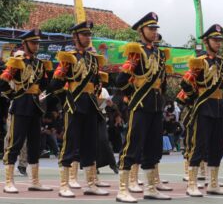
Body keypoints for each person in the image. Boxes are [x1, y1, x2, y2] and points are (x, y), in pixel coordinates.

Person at [115, 12, 172, 202]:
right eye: (151, 28)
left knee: (153, 148)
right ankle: (123, 189)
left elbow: (162, 82)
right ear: (141, 31)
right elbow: (121, 80)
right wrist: (132, 93)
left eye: (156, 28)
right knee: (131, 147)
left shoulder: (158, 53)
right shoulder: (136, 52)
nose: (154, 32)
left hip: (155, 107)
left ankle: (150, 188)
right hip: (139, 106)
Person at [49, 21, 109, 197]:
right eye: (84, 34)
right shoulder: (68, 58)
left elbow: (97, 83)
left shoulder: (93, 59)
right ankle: (64, 185)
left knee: (91, 145)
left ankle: (91, 184)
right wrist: (65, 99)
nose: (88, 37)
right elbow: (55, 85)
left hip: (90, 105)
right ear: (75, 37)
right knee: (70, 144)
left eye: (89, 34)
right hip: (74, 105)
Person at [177, 24, 223, 197]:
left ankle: (213, 184)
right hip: (203, 108)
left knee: (217, 147)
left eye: (219, 40)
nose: (218, 43)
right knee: (199, 145)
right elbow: (185, 83)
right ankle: (192, 184)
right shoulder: (199, 62)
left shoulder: (222, 63)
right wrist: (194, 98)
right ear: (206, 41)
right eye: (215, 40)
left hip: (218, 108)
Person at [1, 29, 53, 193]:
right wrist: (13, 96)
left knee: (34, 144)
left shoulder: (39, 63)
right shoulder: (17, 61)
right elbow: (2, 82)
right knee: (15, 143)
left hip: (35, 107)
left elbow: (44, 85)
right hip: (21, 106)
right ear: (25, 44)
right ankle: (9, 181)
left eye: (38, 43)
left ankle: (34, 181)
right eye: (33, 42)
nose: (36, 45)